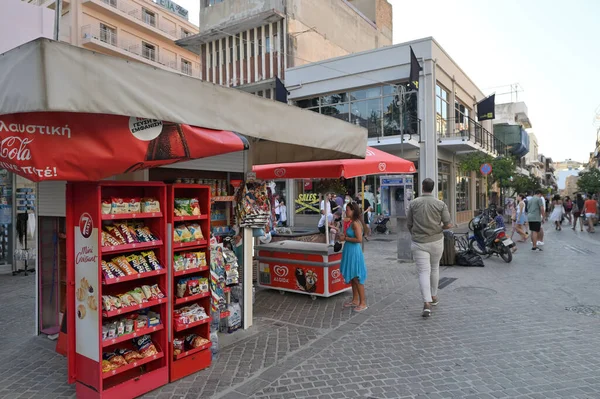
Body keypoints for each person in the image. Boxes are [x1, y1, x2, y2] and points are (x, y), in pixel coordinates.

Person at [407, 178, 452, 318]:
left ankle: (426, 302)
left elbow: (409, 223)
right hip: (436, 240)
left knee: (423, 272)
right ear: (433, 188)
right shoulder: (440, 204)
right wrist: (439, 228)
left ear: (422, 187)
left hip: (419, 242)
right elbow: (448, 224)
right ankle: (433, 296)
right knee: (434, 268)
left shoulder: (414, 203)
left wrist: (415, 233)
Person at [339, 202, 367, 312]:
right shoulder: (351, 222)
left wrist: (345, 239)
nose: (346, 211)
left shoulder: (355, 223)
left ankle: (363, 302)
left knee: (356, 276)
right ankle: (355, 299)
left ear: (353, 211)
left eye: (348, 209)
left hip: (354, 251)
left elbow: (359, 239)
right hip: (349, 250)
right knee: (352, 276)